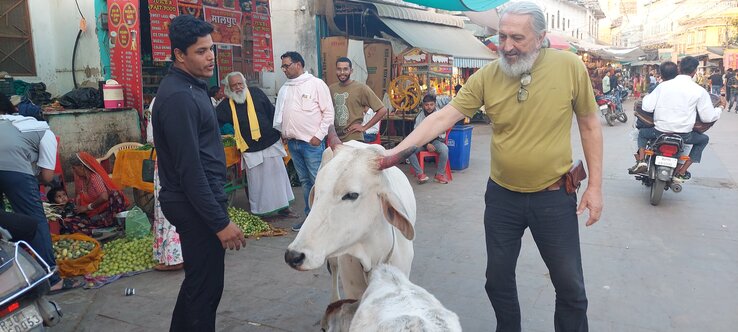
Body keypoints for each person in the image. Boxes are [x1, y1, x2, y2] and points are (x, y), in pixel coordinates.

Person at [387, 2, 603, 330]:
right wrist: (394, 153)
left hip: (555, 197)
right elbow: (444, 116)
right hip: (503, 198)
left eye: (517, 38)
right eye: (502, 36)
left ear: (541, 38)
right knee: (497, 280)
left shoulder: (570, 66)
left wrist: (596, 187)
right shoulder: (488, 75)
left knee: (570, 285)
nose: (507, 46)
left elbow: (589, 124)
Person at [152, 15, 246, 332]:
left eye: (211, 49)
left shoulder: (192, 88)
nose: (210, 58)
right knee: (204, 287)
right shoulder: (178, 97)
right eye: (201, 51)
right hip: (191, 202)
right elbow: (190, 170)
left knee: (202, 284)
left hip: (198, 198)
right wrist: (219, 222)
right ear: (180, 54)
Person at [0, 101, 84, 293]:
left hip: (11, 166)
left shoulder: (8, 122)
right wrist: (33, 176)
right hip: (15, 170)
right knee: (36, 222)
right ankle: (52, 279)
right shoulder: (45, 131)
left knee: (2, 222)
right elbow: (46, 177)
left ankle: (7, 282)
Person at [216, 71, 297, 218]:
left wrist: (282, 132)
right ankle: (262, 213)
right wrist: (229, 132)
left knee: (278, 178)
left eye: (240, 84)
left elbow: (272, 113)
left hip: (270, 141)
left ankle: (284, 209)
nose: (238, 88)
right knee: (257, 183)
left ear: (245, 83)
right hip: (250, 148)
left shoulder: (256, 93)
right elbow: (216, 121)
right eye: (234, 85)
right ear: (228, 88)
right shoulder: (226, 105)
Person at [629, 57, 724, 180]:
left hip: (659, 132)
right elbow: (707, 117)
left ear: (679, 69)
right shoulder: (699, 91)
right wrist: (720, 108)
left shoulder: (663, 86)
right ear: (694, 71)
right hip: (684, 135)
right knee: (703, 139)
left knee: (641, 134)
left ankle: (641, 160)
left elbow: (647, 107)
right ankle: (682, 171)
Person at [273, 51, 334, 232]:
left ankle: (325, 220)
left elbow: (328, 113)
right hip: (293, 143)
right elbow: (282, 114)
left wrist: (318, 136)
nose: (284, 69)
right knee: (305, 182)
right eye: (282, 66)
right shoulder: (286, 88)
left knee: (318, 181)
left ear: (298, 64)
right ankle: (310, 218)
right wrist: (283, 132)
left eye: (287, 65)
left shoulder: (316, 84)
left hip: (311, 144)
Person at [145, 98, 184, 272]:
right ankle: (178, 254)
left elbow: (152, 138)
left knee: (170, 207)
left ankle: (175, 256)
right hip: (179, 162)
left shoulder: (160, 101)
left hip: (169, 163)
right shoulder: (188, 97)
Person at [329, 57, 387, 142]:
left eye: (345, 69)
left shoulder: (361, 88)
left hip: (354, 138)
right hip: (336, 139)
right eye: (339, 69)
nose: (342, 72)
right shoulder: (331, 89)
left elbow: (382, 110)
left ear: (351, 71)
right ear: (336, 70)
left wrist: (364, 127)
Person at [70, 152, 128, 229]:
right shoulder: (82, 179)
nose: (73, 171)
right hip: (91, 212)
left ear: (81, 166)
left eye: (74, 168)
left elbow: (104, 197)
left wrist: (88, 207)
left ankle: (104, 222)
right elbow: (78, 196)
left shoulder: (94, 178)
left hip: (103, 212)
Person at [407, 94, 449, 185]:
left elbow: (442, 133)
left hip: (437, 141)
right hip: (422, 142)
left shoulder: (440, 115)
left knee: (445, 150)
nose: (429, 107)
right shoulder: (419, 117)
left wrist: (431, 143)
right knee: (409, 151)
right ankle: (420, 174)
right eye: (426, 105)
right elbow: (417, 134)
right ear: (423, 105)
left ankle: (439, 175)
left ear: (435, 104)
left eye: (431, 104)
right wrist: (426, 144)